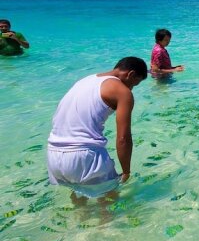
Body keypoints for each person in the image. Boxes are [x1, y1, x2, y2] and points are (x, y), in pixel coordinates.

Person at [47, 57, 148, 200]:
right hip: (85, 156)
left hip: (53, 155)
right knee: (107, 208)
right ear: (130, 74)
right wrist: (126, 172)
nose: (131, 88)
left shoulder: (85, 80)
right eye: (134, 84)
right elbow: (123, 138)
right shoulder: (122, 92)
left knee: (79, 207)